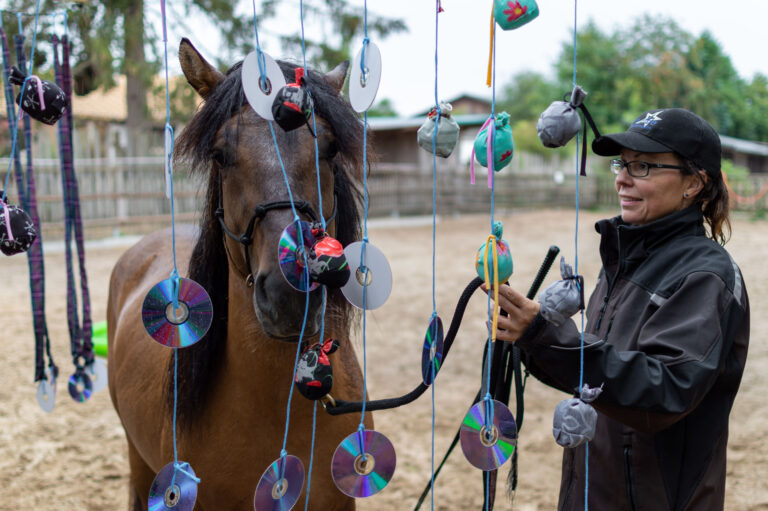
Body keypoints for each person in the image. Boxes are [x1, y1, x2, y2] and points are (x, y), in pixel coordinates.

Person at [491, 108, 750, 511]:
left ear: (694, 184)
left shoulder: (706, 275)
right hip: (595, 492)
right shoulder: (622, 260)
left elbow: (665, 389)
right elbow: (600, 378)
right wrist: (530, 338)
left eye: (643, 166)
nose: (622, 178)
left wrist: (544, 336)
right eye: (622, 164)